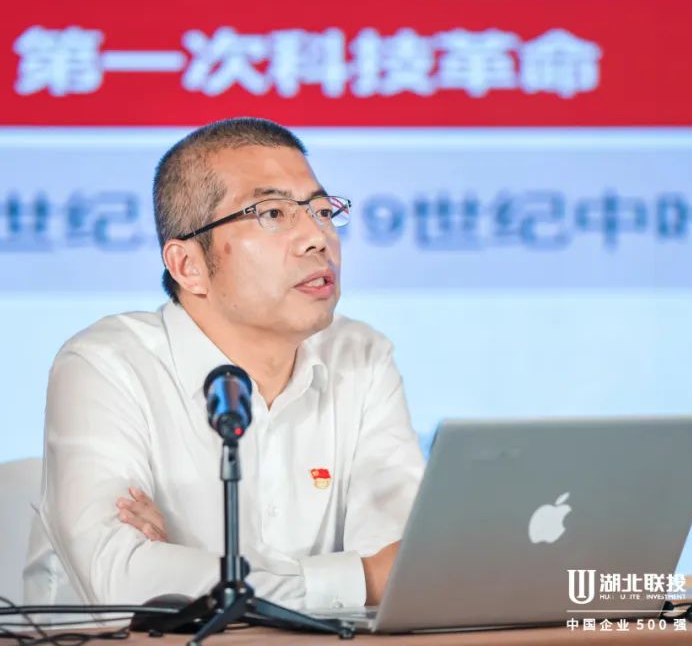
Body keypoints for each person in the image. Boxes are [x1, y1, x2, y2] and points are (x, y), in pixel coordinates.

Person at [24, 117, 424, 612]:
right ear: (188, 265)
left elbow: (406, 568)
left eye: (322, 211)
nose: (317, 238)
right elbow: (121, 582)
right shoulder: (106, 365)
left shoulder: (360, 355)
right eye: (273, 213)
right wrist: (355, 580)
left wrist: (186, 568)